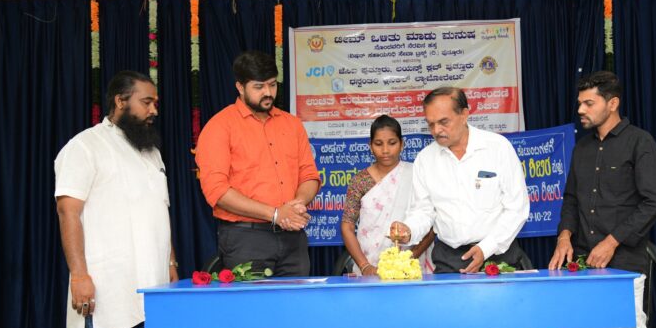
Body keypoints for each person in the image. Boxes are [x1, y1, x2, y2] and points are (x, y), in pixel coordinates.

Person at [55, 70, 178, 328]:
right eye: (146, 102)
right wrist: (79, 275)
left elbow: (160, 212)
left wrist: (171, 263)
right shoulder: (84, 146)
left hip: (151, 280)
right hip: (107, 279)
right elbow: (68, 212)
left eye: (155, 102)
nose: (154, 109)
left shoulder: (150, 152)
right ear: (121, 101)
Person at [548, 70, 656, 328]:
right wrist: (564, 235)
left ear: (612, 104)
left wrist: (613, 241)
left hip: (625, 264)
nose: (580, 109)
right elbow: (570, 199)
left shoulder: (639, 142)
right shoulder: (582, 148)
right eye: (580, 103)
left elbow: (653, 202)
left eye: (589, 103)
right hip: (582, 264)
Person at [196, 50, 320, 276]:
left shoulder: (292, 124)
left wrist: (296, 205)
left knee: (297, 299)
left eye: (272, 85)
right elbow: (217, 191)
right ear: (240, 87)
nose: (268, 93)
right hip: (246, 238)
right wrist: (275, 214)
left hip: (293, 237)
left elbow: (309, 175)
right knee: (253, 301)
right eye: (259, 87)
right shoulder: (220, 127)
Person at [389, 87, 529, 273]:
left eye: (443, 122)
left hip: (497, 256)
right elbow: (423, 211)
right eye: (431, 124)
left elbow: (517, 208)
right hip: (449, 261)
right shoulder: (425, 159)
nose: (436, 130)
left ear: (464, 115)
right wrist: (409, 231)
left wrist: (486, 247)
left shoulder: (498, 148)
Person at [341, 115, 435, 275]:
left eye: (392, 143)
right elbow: (347, 226)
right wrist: (365, 266)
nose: (385, 150)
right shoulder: (361, 181)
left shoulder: (417, 175)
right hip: (369, 267)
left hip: (410, 267)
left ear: (402, 144)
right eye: (378, 144)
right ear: (370, 146)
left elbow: (432, 224)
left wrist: (407, 260)